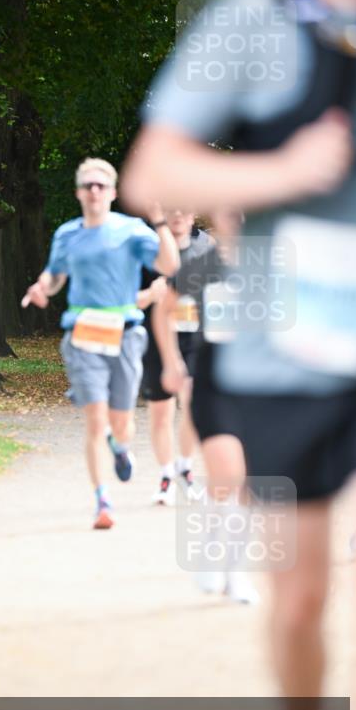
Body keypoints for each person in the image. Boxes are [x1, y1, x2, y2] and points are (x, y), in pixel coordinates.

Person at [121, 0, 356, 710]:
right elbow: (152, 170)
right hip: (286, 358)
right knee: (301, 591)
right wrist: (287, 171)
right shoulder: (247, 24)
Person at [21, 157, 178, 530]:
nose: (94, 191)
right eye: (88, 185)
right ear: (78, 192)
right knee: (95, 420)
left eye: (101, 186)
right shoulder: (67, 234)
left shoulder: (131, 230)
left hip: (124, 333)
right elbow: (56, 275)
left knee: (121, 423)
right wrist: (43, 286)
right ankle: (102, 501)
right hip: (83, 333)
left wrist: (159, 222)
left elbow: (170, 266)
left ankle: (120, 446)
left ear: (112, 193)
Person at [153, 214, 260, 604]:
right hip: (212, 382)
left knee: (249, 485)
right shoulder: (204, 265)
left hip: (260, 388)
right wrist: (171, 362)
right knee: (226, 476)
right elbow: (163, 309)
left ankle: (235, 573)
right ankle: (214, 554)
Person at [138, 209, 214, 506]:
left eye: (184, 209)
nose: (178, 215)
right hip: (157, 338)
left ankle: (185, 467)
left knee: (194, 403)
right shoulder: (148, 246)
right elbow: (134, 295)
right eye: (172, 209)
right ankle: (166, 476)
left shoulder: (206, 245)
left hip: (196, 338)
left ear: (195, 213)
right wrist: (150, 294)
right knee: (161, 412)